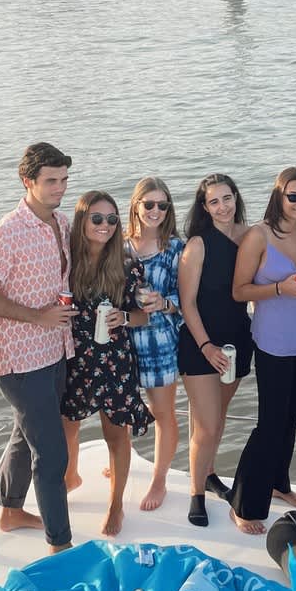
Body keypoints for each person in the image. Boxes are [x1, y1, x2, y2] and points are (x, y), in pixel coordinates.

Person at [0, 142, 75, 556]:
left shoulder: (61, 223)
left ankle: (10, 510)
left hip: (55, 350)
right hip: (19, 358)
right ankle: (60, 546)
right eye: (51, 181)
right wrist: (36, 316)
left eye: (64, 180)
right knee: (51, 454)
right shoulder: (6, 232)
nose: (59, 188)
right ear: (27, 181)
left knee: (22, 434)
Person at [228, 167, 296, 534]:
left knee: (291, 418)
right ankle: (245, 503)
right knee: (270, 423)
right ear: (279, 198)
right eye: (293, 196)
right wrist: (280, 289)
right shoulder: (258, 236)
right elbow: (239, 291)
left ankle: (278, 483)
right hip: (273, 343)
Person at [60, 190, 152, 536]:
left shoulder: (128, 265)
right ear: (82, 221)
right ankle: (71, 475)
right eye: (97, 219)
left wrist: (124, 317)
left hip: (115, 362)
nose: (105, 226)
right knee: (67, 426)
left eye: (112, 219)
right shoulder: (65, 263)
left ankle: (116, 508)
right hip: (76, 361)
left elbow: (143, 317)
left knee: (117, 435)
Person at [177, 173, 252, 526]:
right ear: (205, 208)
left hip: (238, 341)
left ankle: (208, 473)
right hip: (201, 345)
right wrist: (206, 346)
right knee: (206, 426)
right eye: (214, 201)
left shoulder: (251, 237)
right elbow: (187, 303)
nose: (222, 207)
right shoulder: (198, 245)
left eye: (227, 198)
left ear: (236, 198)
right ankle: (196, 493)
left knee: (218, 417)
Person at [124, 176, 183, 510]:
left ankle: (159, 480)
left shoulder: (176, 248)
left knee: (163, 413)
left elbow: (187, 297)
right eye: (149, 204)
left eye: (163, 205)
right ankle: (124, 458)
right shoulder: (118, 245)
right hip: (122, 338)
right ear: (136, 205)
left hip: (159, 339)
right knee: (121, 407)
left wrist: (164, 303)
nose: (156, 210)